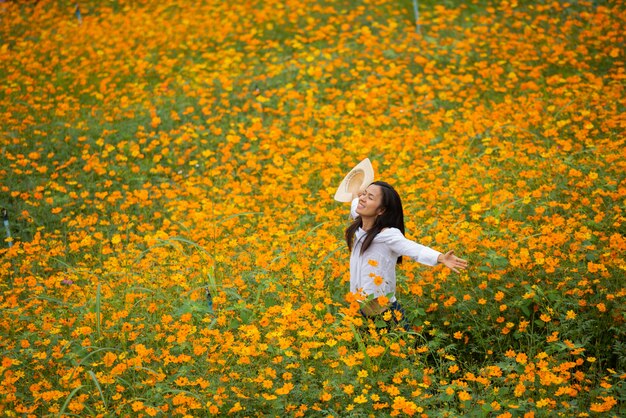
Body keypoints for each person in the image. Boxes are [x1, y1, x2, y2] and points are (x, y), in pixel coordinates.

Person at [345, 181, 468, 329]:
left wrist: (440, 257)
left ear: (381, 210)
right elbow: (355, 203)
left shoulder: (388, 236)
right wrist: (356, 192)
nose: (363, 198)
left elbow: (414, 249)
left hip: (387, 317)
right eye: (364, 194)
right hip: (363, 316)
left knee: (411, 351)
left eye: (370, 197)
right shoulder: (359, 223)